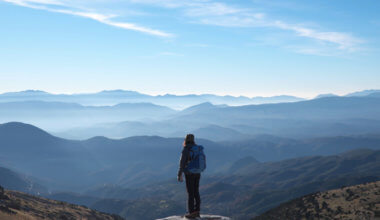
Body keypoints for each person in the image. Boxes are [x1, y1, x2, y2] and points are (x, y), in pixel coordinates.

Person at [178, 134, 201, 219]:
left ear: (186, 139)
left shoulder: (186, 149)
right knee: (196, 192)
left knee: (190, 193)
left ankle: (191, 212)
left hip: (189, 174)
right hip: (197, 173)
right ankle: (197, 211)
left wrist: (179, 174)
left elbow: (182, 163)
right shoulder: (197, 148)